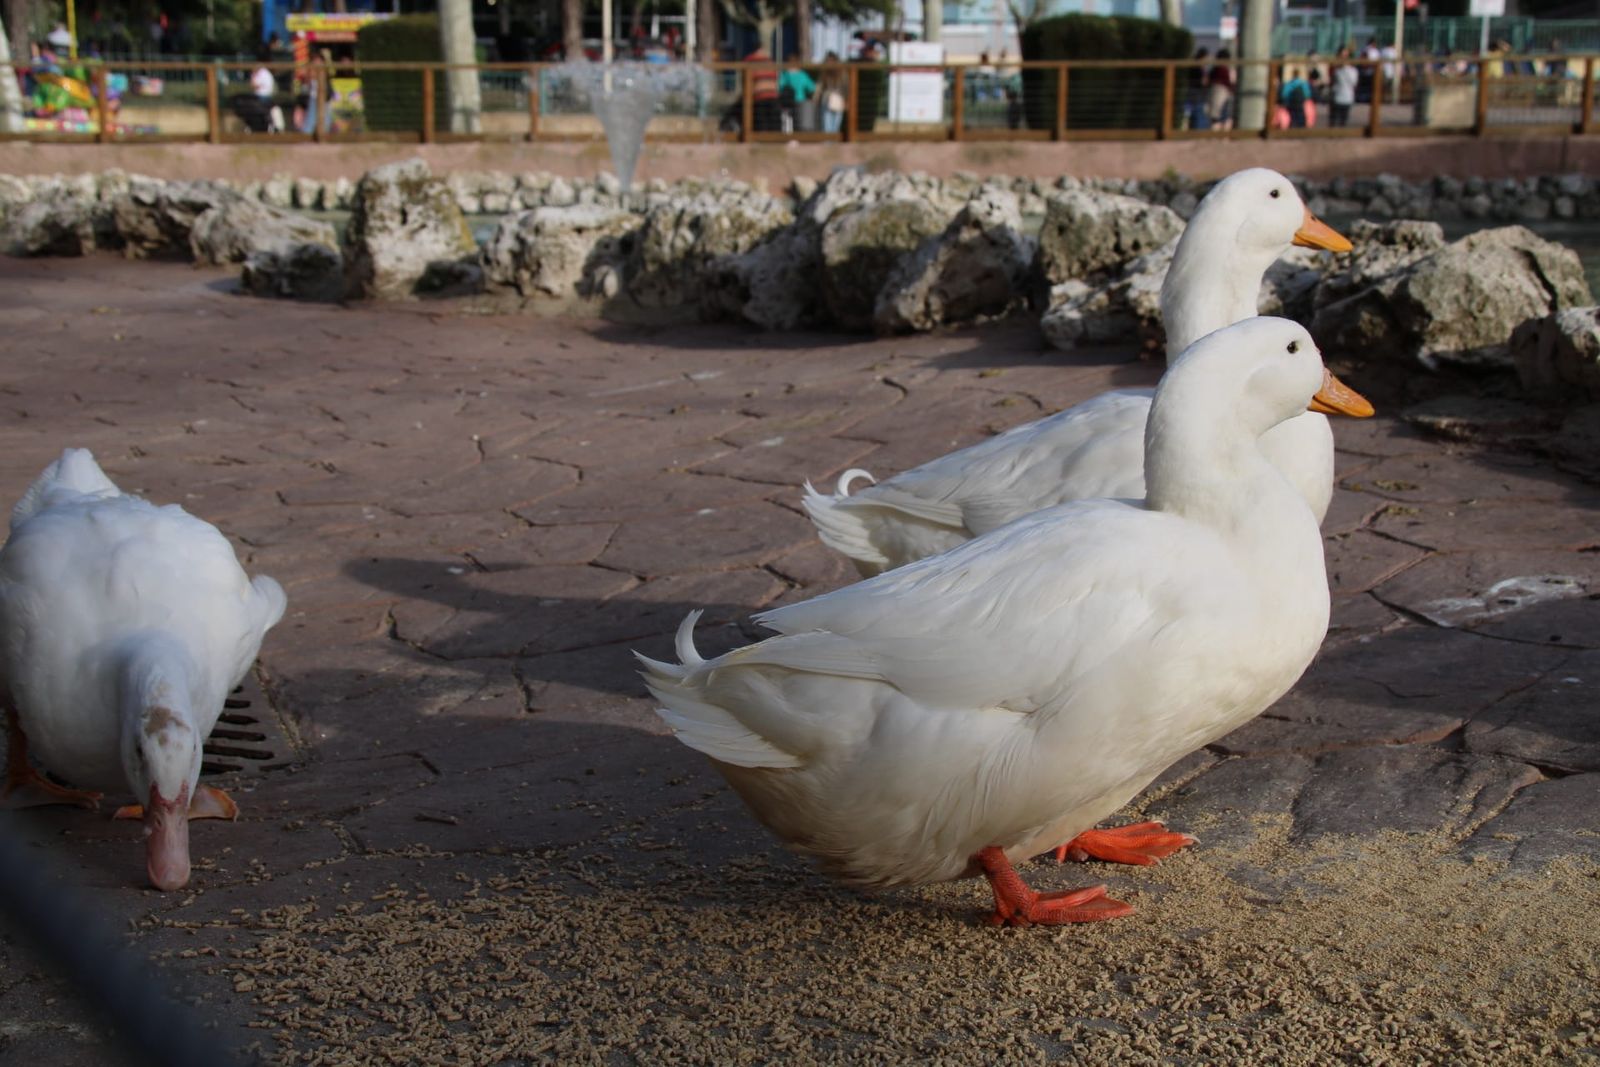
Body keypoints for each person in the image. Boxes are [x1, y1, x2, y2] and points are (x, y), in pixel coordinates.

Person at [818, 52, 846, 134]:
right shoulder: (823, 73)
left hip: (839, 100)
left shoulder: (842, 73)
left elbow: (845, 88)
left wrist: (846, 101)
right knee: (827, 125)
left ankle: (834, 143)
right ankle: (828, 143)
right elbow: (820, 87)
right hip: (826, 100)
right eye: (828, 60)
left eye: (831, 60)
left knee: (836, 126)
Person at [1330, 44, 1358, 128]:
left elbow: (1354, 82)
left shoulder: (1352, 69)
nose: (1344, 56)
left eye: (1346, 54)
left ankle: (1341, 132)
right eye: (1342, 54)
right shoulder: (1336, 67)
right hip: (1336, 93)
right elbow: (1331, 77)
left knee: (1343, 117)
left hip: (1347, 94)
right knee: (1334, 117)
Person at [1207, 48, 1234, 130]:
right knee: (1222, 116)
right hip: (1222, 92)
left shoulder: (1214, 69)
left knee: (1215, 116)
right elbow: (1227, 82)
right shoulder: (1224, 69)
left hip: (1214, 92)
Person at [1187, 47, 1211, 130]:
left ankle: (1197, 130)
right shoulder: (1197, 67)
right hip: (1197, 93)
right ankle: (1197, 132)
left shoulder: (1198, 66)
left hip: (1197, 93)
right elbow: (1202, 81)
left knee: (1198, 113)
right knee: (1198, 113)